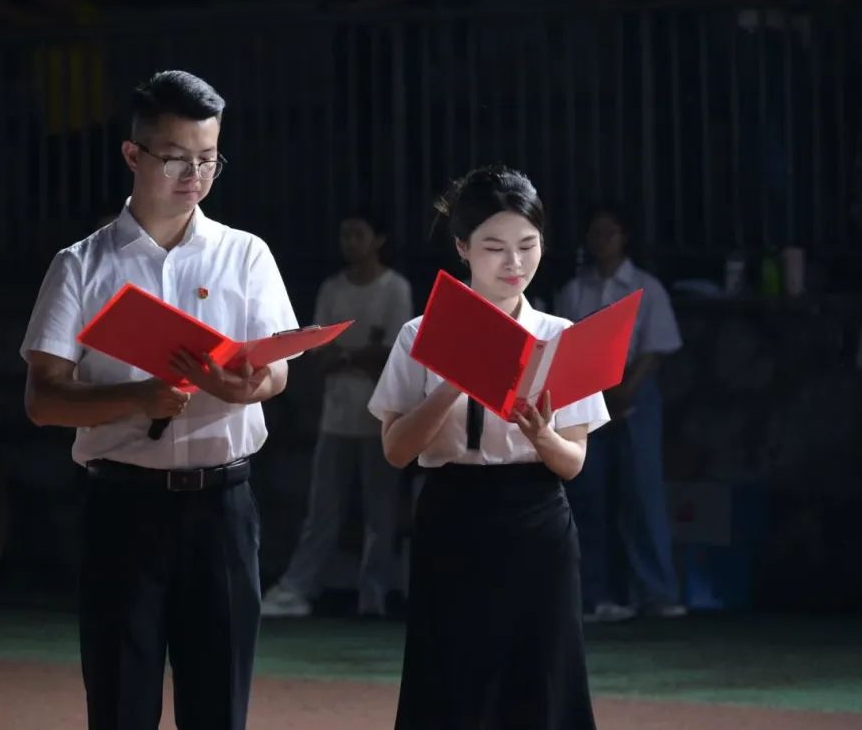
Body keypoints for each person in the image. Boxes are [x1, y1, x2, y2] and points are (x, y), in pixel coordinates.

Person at [19, 70, 299, 730]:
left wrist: (245, 386)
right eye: (175, 158)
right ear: (133, 154)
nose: (194, 176)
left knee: (218, 705)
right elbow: (43, 399)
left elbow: (277, 373)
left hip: (223, 505)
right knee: (121, 702)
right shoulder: (82, 264)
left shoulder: (245, 255)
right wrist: (138, 397)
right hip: (124, 506)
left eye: (208, 159)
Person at [369, 166, 609, 730]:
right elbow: (396, 451)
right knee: (451, 678)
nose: (514, 263)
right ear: (462, 248)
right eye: (495, 248)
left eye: (528, 245)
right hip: (453, 511)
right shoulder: (419, 333)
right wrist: (452, 382)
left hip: (536, 517)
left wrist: (541, 434)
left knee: (541, 677)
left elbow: (573, 462)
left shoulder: (559, 335)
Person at [262, 213, 413, 618]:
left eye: (358, 234)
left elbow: (391, 354)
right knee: (323, 509)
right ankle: (299, 588)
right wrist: (359, 353)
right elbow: (318, 352)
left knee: (380, 512)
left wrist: (346, 355)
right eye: (345, 234)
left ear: (378, 239)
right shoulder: (332, 288)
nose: (349, 242)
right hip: (336, 416)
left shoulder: (395, 288)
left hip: (380, 417)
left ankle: (374, 596)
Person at [555, 203, 685, 623]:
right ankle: (598, 594)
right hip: (587, 394)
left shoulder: (646, 287)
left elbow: (655, 348)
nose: (601, 241)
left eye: (608, 232)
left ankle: (656, 592)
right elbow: (566, 346)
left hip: (634, 392)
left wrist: (627, 389)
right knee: (590, 496)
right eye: (595, 233)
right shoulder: (575, 291)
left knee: (642, 495)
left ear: (624, 236)